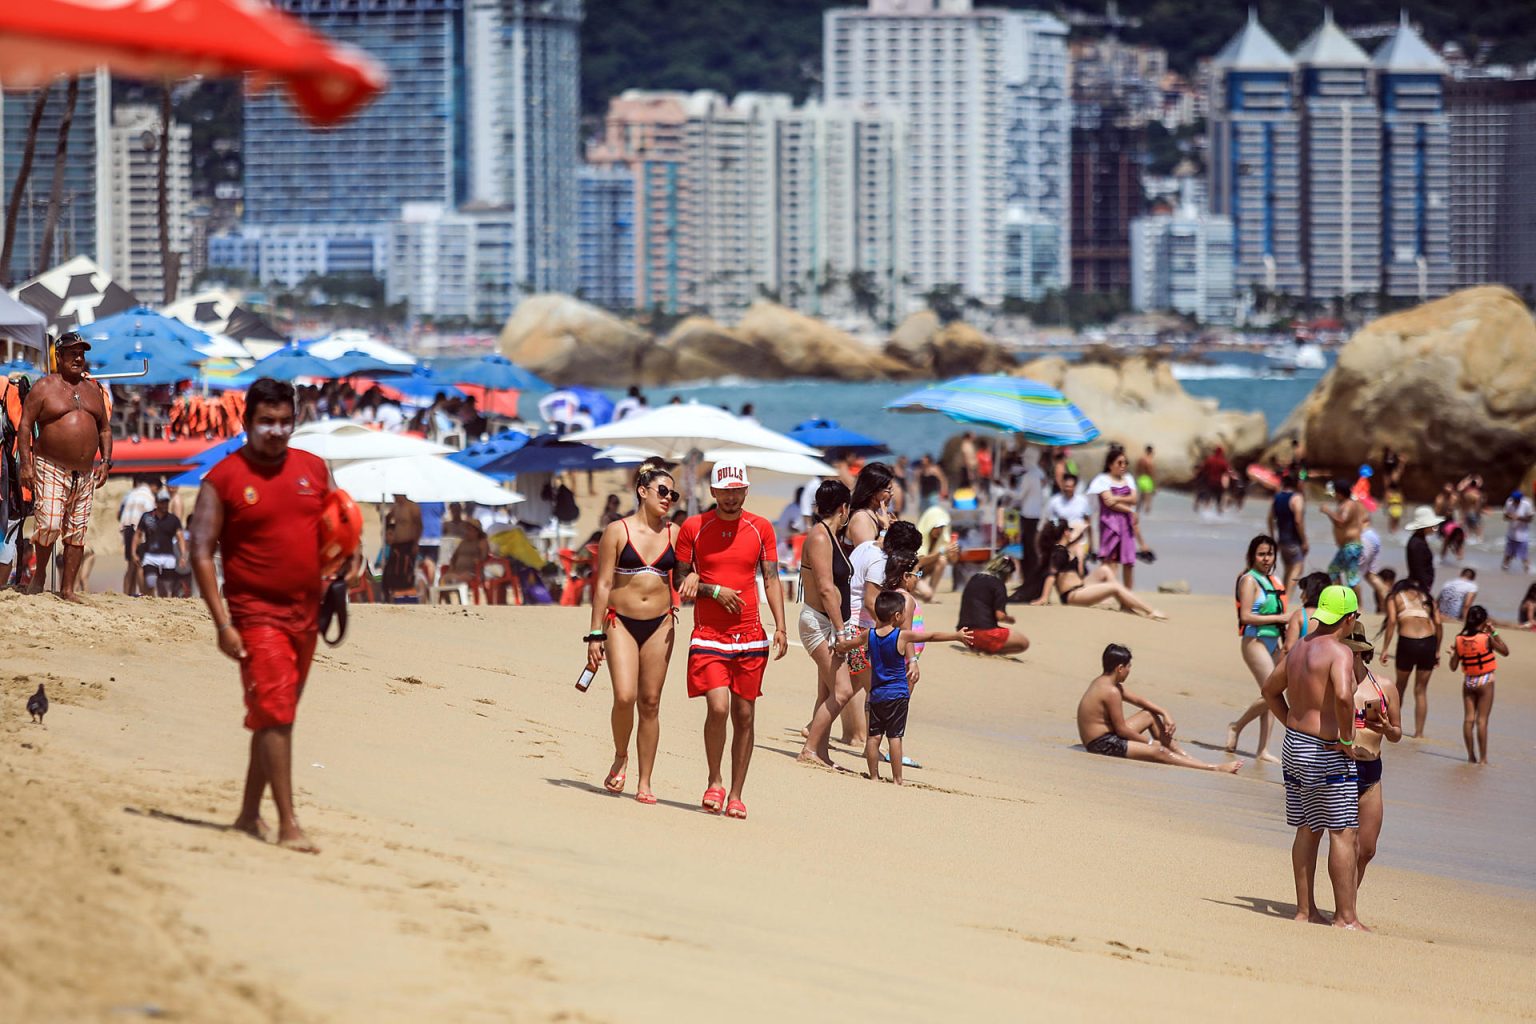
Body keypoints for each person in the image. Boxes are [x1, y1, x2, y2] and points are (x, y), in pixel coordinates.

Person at [191, 378, 330, 854]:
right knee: (277, 713)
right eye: (266, 422)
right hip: (256, 616)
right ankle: (288, 823)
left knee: (275, 715)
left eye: (284, 421)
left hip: (306, 615)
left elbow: (334, 531)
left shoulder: (315, 468)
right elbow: (200, 551)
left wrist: (343, 567)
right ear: (247, 422)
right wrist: (223, 623)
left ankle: (249, 815)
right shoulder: (223, 479)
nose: (276, 431)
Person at [675, 458, 788, 820]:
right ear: (713, 491)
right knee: (718, 707)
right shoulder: (693, 527)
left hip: (751, 635)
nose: (731, 498)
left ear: (745, 490)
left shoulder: (761, 529)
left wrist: (780, 626)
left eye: (737, 490)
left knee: (744, 715)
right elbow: (679, 581)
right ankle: (715, 780)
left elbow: (770, 579)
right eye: (724, 491)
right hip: (709, 634)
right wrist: (711, 589)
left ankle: (737, 794)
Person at [1260, 585, 1371, 930]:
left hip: (1293, 745)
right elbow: (1342, 695)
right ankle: (1345, 918)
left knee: (1308, 828)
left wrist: (1292, 724)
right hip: (1325, 750)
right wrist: (1347, 738)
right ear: (1350, 618)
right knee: (1343, 832)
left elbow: (1268, 690)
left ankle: (1305, 911)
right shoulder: (1339, 653)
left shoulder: (1298, 649)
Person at [585, 465, 680, 805]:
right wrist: (594, 633)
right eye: (663, 491)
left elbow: (688, 574)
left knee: (650, 703)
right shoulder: (616, 530)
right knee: (625, 696)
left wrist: (696, 577)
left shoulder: (676, 533)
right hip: (620, 621)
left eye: (673, 494)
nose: (669, 498)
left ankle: (645, 781)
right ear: (643, 491)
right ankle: (621, 754)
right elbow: (603, 584)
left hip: (661, 623)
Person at [833, 590, 971, 784]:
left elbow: (849, 645)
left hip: (876, 694)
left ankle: (874, 776)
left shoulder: (869, 635)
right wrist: (956, 636)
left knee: (873, 738)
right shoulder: (902, 636)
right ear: (897, 616)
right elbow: (931, 636)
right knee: (895, 737)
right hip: (897, 695)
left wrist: (838, 647)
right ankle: (897, 779)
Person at [18, 332, 113, 602]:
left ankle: (68, 589)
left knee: (77, 530)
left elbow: (105, 429)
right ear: (58, 356)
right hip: (50, 465)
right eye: (72, 353)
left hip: (85, 472)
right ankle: (39, 577)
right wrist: (26, 464)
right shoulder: (44, 387)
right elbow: (25, 426)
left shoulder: (93, 389)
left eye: (81, 353)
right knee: (48, 523)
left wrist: (106, 461)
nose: (78, 358)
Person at [1077, 643, 1242, 772]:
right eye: (1128, 667)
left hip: (1108, 736)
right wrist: (1150, 743)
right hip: (1101, 744)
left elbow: (1139, 700)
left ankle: (1186, 757)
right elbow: (1121, 731)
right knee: (1159, 752)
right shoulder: (1110, 691)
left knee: (1149, 715)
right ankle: (1212, 768)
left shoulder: (1105, 682)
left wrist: (1165, 712)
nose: (1129, 671)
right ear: (1120, 668)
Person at [797, 481, 854, 767]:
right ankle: (809, 748)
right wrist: (841, 630)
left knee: (828, 691)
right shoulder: (820, 537)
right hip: (820, 624)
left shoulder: (831, 536)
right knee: (842, 691)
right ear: (844, 508)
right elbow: (826, 588)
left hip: (828, 623)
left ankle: (822, 751)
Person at [1340, 622, 1400, 888]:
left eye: (1350, 650)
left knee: (1367, 850)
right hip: (1342, 766)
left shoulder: (1383, 686)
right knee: (1346, 843)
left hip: (1372, 771)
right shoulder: (1335, 685)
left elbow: (1397, 733)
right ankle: (1345, 909)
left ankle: (1348, 903)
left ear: (1359, 652)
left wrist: (1387, 728)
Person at [1227, 536, 1290, 763]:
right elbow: (1246, 616)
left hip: (1275, 641)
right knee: (1271, 693)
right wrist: (1281, 617)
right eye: (1261, 554)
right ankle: (1236, 726)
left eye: (1270, 554)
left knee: (1273, 694)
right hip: (1254, 641)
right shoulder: (1248, 580)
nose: (1266, 558)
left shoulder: (1275, 580)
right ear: (1252, 556)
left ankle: (1262, 749)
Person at [1032, 520, 1166, 619]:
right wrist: (1044, 598)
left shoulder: (1065, 548)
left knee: (1105, 570)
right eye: (1070, 530)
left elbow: (1079, 533)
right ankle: (1150, 611)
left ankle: (1126, 605)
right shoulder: (1059, 552)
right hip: (1073, 596)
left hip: (1080, 587)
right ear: (1066, 533)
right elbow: (1051, 575)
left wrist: (1081, 545)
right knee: (1114, 587)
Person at [1379, 576, 1442, 738]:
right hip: (1429, 642)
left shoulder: (1394, 597)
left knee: (1400, 686)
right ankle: (1419, 733)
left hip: (1408, 643)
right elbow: (1438, 623)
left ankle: (1393, 726)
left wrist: (1385, 648)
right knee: (1421, 691)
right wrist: (1437, 650)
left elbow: (1392, 621)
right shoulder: (1426, 598)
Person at [1448, 605, 1508, 765]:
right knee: (1482, 721)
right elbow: (1505, 651)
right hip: (1485, 680)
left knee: (1468, 719)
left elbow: (1453, 667)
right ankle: (1483, 759)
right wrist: (1494, 632)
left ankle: (1471, 756)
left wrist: (1453, 654)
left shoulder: (1459, 639)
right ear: (1484, 620)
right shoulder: (1486, 638)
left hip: (1469, 681)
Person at [1087, 446, 1141, 588]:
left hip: (1126, 525)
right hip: (1109, 523)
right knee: (1108, 559)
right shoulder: (1101, 480)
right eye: (1119, 463)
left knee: (1128, 561)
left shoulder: (1128, 478)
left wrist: (1116, 498)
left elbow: (1134, 498)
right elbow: (1108, 503)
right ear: (1110, 465)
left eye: (1125, 463)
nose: (1123, 466)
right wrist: (1129, 510)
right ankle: (1105, 592)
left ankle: (1128, 596)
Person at [957, 555, 1030, 655]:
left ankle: (982, 648)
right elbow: (1000, 616)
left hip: (964, 633)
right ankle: (988, 651)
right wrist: (1010, 619)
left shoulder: (974, 578)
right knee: (1023, 643)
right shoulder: (998, 585)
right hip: (983, 633)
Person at [1320, 478, 1366, 604]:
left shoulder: (1348, 504)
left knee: (1352, 577)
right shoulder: (1345, 504)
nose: (1335, 495)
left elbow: (1341, 521)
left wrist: (1327, 511)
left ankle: (1359, 605)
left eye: (1336, 492)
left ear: (1340, 493)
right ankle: (1342, 601)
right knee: (1333, 571)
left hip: (1351, 547)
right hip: (1345, 547)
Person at [135, 489, 184, 598]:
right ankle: (150, 599)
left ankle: (164, 603)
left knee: (165, 586)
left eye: (166, 502)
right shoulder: (147, 517)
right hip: (151, 555)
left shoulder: (173, 519)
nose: (165, 504)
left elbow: (180, 537)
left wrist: (183, 555)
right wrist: (134, 552)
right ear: (156, 503)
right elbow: (138, 534)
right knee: (150, 581)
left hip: (168, 556)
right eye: (162, 502)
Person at [1267, 472, 1309, 592]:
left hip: (1281, 540)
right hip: (1293, 540)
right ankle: (1287, 598)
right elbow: (1298, 521)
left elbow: (1270, 519)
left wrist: (1272, 537)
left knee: (1288, 569)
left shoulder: (1277, 497)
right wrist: (1304, 540)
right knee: (1298, 568)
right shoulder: (1297, 498)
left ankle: (1282, 596)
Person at [120, 475, 156, 595]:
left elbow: (120, 514)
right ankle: (143, 593)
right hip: (138, 532)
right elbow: (150, 519)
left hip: (127, 529)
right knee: (140, 564)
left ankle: (127, 593)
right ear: (154, 486)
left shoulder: (131, 494)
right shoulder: (148, 496)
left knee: (130, 565)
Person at [845, 461, 894, 548]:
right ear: (874, 491)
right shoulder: (862, 518)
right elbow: (868, 555)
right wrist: (885, 529)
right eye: (889, 490)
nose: (892, 493)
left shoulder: (874, 514)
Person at [913, 500, 956, 601]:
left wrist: (953, 552)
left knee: (942, 560)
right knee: (926, 593)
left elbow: (952, 561)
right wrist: (941, 551)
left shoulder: (941, 539)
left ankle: (930, 593)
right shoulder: (918, 538)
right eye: (936, 527)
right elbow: (919, 562)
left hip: (921, 573)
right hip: (913, 573)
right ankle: (911, 592)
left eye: (941, 527)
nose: (939, 530)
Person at [383, 493, 423, 598]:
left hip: (408, 543)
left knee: (406, 569)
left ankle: (406, 593)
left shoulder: (412, 507)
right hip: (396, 544)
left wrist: (416, 543)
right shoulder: (395, 507)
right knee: (392, 569)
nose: (394, 498)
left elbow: (419, 525)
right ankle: (391, 593)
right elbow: (387, 519)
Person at [1015, 448, 1046, 579]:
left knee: (1028, 550)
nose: (1023, 461)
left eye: (1025, 459)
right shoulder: (1040, 474)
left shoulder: (1029, 476)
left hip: (1027, 515)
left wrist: (1002, 490)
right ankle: (1032, 577)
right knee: (1033, 548)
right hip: (1037, 514)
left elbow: (1019, 496)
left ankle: (1028, 577)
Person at [1403, 505, 1442, 591]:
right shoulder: (1417, 543)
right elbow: (1418, 568)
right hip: (1419, 585)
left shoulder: (1419, 540)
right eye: (1432, 525)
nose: (1433, 527)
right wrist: (1424, 587)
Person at [1503, 489, 1533, 573]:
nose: (1514, 502)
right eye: (1514, 500)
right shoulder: (1509, 502)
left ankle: (1528, 571)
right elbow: (1505, 516)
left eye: (1516, 500)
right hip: (1511, 533)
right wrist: (1510, 516)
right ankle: (1504, 571)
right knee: (1508, 554)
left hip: (1523, 535)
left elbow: (1530, 519)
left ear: (1520, 499)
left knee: (1524, 556)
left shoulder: (1527, 503)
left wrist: (1519, 518)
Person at [1457, 474, 1485, 543]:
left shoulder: (1466, 493)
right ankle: (1479, 539)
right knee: (1477, 527)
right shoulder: (1477, 494)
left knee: (1468, 528)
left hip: (1466, 512)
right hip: (1474, 512)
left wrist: (1466, 479)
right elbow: (1478, 505)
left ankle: (1469, 540)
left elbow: (1459, 487)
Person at [1134, 446, 1157, 515]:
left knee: (1143, 495)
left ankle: (1138, 509)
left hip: (1142, 478)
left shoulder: (1141, 459)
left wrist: (1137, 478)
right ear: (1150, 451)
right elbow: (1151, 472)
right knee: (1147, 494)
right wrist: (1154, 482)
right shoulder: (1148, 460)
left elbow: (1137, 469)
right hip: (1147, 478)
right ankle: (1147, 509)